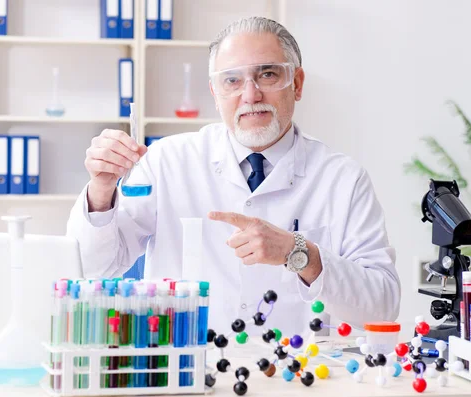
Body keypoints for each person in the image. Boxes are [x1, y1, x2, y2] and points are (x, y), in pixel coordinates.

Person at [67, 17, 401, 336]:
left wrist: (299, 252)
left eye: (267, 75)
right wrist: (101, 188)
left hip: (297, 379)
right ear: (215, 93)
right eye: (232, 80)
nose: (250, 94)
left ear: (296, 84)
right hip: (189, 373)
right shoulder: (166, 161)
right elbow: (94, 268)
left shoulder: (342, 179)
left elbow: (383, 306)